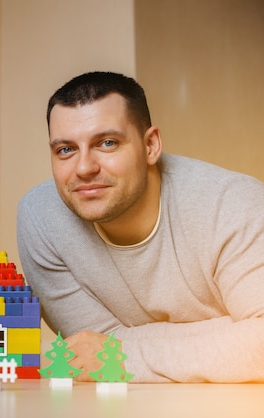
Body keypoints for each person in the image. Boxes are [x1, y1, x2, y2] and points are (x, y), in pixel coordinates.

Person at [17, 71, 264, 383]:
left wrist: (126, 354)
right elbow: (90, 349)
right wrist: (230, 331)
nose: (84, 168)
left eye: (107, 143)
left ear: (150, 145)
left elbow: (108, 354)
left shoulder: (232, 203)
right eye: (65, 149)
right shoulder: (40, 219)